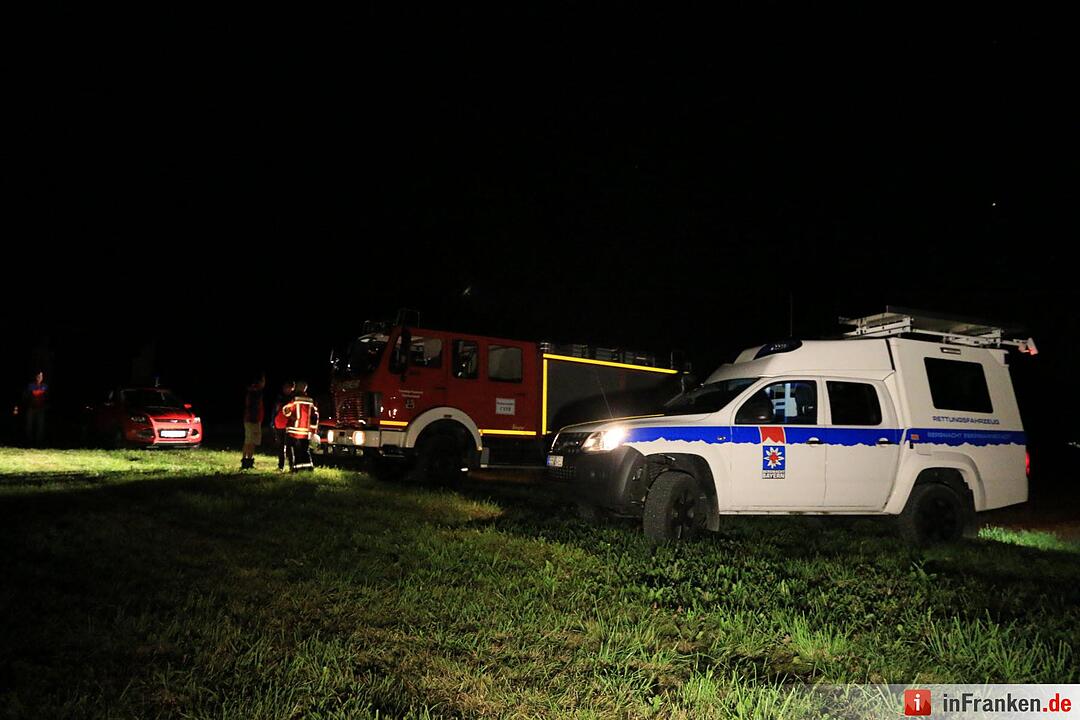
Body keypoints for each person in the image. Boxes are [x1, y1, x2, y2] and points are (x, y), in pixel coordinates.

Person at [283, 380, 319, 471]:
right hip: (305, 432)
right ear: (305, 388)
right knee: (305, 450)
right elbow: (315, 416)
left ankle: (296, 468)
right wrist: (313, 431)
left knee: (295, 450)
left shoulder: (294, 399)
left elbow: (286, 410)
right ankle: (308, 468)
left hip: (294, 431)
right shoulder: (310, 400)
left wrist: (291, 416)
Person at [241, 373, 266, 470]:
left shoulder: (252, 391)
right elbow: (254, 407)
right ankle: (247, 461)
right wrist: (255, 419)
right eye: (263, 380)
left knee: (249, 440)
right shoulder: (256, 392)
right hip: (253, 420)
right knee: (251, 441)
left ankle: (247, 460)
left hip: (251, 419)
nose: (264, 383)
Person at [270, 380, 295, 471]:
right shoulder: (279, 398)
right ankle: (281, 466)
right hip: (279, 425)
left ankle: (292, 466)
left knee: (289, 447)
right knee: (280, 446)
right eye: (284, 387)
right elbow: (274, 411)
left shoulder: (293, 399)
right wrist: (273, 423)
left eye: (288, 387)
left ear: (292, 388)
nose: (286, 389)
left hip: (289, 426)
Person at [23, 371, 48, 446]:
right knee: (29, 425)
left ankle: (39, 443)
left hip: (41, 408)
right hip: (31, 408)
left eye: (41, 376)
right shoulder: (31, 385)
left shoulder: (45, 386)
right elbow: (31, 394)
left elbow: (45, 396)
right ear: (36, 377)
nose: (40, 378)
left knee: (40, 426)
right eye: (38, 376)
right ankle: (28, 442)